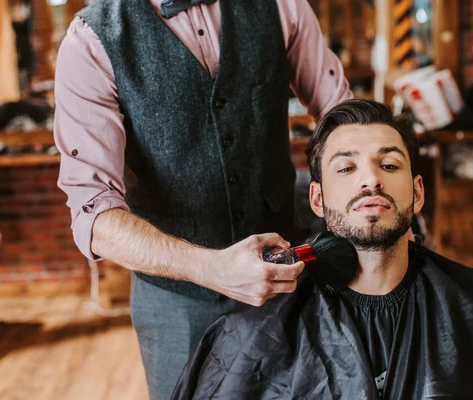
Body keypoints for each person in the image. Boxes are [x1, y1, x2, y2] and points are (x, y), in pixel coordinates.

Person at [53, 0, 353, 397]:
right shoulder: (91, 41)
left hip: (287, 283)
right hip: (176, 304)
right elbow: (94, 214)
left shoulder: (283, 6)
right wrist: (212, 268)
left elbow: (345, 122)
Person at [172, 99, 473, 399]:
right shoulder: (256, 332)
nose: (371, 179)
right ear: (317, 198)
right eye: (347, 169)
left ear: (417, 194)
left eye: (388, 164)